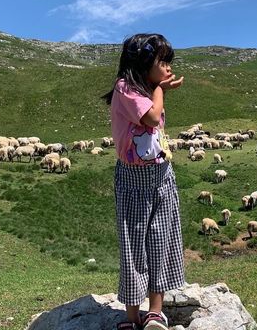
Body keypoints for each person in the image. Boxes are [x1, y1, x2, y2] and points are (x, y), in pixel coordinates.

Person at [102, 33, 185, 330]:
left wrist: (158, 88)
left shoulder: (146, 89)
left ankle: (155, 313)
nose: (168, 67)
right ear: (143, 63)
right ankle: (132, 317)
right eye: (162, 61)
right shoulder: (125, 88)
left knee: (160, 242)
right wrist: (161, 90)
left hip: (162, 177)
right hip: (134, 182)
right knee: (134, 247)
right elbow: (150, 118)